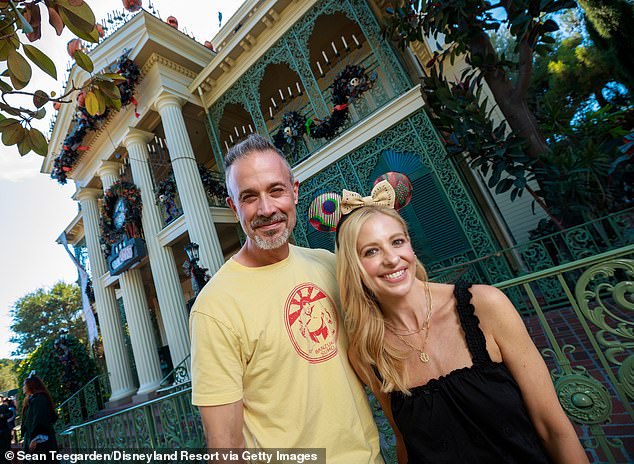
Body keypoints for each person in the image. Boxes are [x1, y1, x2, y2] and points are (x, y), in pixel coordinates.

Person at [335, 194, 589, 464]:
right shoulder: (366, 353)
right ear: (355, 267)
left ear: (410, 246)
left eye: (397, 242)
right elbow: (406, 445)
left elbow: (554, 429)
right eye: (371, 251)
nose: (391, 259)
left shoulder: (484, 305)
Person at [189, 134, 383, 462]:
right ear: (234, 207)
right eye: (249, 197)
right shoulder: (214, 308)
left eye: (276, 190)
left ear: (294, 191)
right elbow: (226, 447)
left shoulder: (329, 264)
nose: (266, 209)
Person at [21, 375, 58, 460]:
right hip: (32, 439)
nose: (23, 387)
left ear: (30, 385)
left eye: (24, 385)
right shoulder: (31, 400)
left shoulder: (40, 399)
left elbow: (40, 419)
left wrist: (35, 439)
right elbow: (28, 421)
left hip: (40, 443)